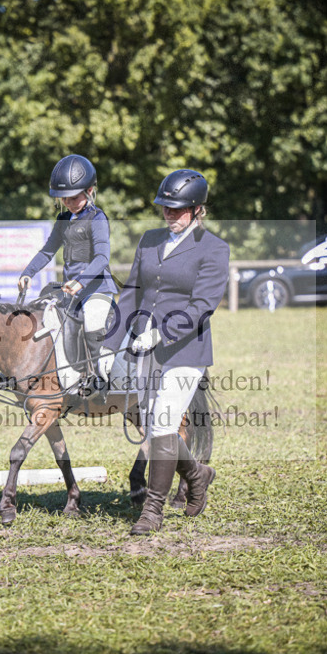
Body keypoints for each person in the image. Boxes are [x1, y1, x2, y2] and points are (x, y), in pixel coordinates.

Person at [98, 169, 230, 535]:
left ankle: (152, 511)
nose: (169, 215)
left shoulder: (214, 248)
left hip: (186, 352)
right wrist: (111, 344)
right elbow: (131, 295)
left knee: (162, 424)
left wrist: (160, 333)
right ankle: (198, 474)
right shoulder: (150, 240)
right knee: (157, 427)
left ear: (197, 209)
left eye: (177, 210)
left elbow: (203, 305)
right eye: (165, 209)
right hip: (143, 351)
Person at [18, 154, 118, 392]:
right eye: (65, 199)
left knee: (93, 324)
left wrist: (81, 282)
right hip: (70, 290)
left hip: (96, 289)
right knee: (45, 321)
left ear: (90, 191)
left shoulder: (97, 218)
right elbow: (47, 251)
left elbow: (102, 258)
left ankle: (97, 378)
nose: (70, 203)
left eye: (75, 198)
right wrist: (28, 272)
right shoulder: (63, 219)